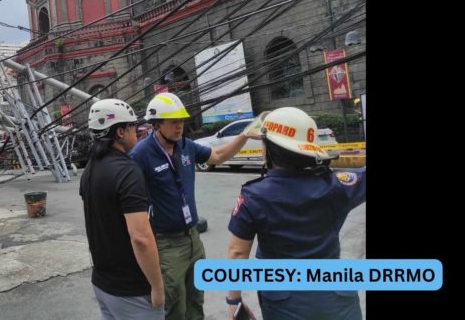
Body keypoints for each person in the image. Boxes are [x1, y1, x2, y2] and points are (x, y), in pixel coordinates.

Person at [225, 107, 366, 320]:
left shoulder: (253, 195)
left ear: (271, 149)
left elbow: (237, 253)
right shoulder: (336, 186)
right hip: (337, 299)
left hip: (283, 305)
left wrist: (234, 303)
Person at [130, 92, 255, 320]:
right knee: (174, 305)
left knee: (196, 299)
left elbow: (217, 155)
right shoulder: (140, 155)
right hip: (166, 244)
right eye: (174, 122)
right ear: (157, 124)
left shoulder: (186, 146)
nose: (180, 127)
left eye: (182, 121)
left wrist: (245, 135)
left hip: (193, 239)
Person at [79, 98, 165, 320]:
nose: (135, 131)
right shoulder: (127, 171)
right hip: (132, 291)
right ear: (120, 132)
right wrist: (157, 286)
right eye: (132, 126)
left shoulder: (90, 169)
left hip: (102, 284)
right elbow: (141, 238)